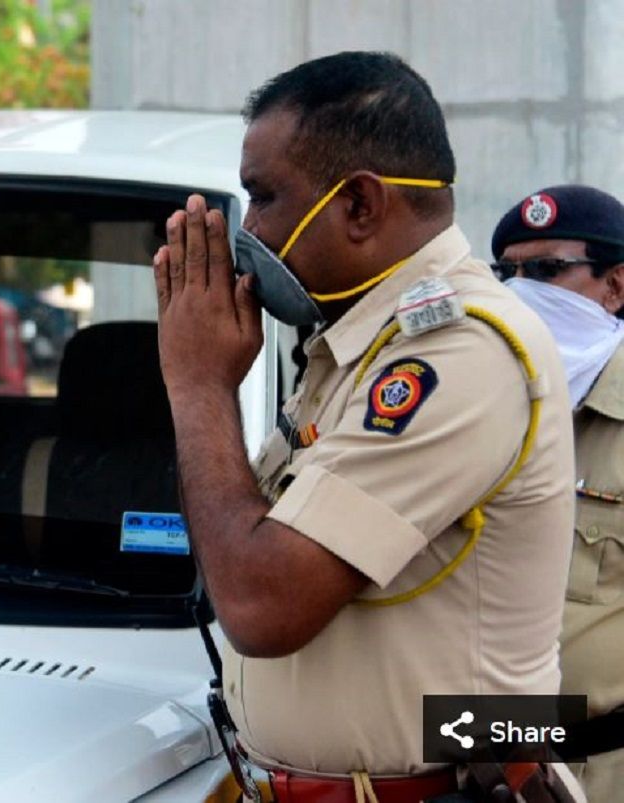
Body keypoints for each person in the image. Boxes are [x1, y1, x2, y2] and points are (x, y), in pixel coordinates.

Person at [153, 52, 581, 800]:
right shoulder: (357, 345)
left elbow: (261, 604)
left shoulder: (460, 350)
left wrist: (198, 384)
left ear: (359, 205)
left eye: (265, 197)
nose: (249, 229)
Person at [491, 185, 624, 802]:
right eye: (507, 273)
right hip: (472, 762)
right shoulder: (475, 411)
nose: (521, 292)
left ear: (615, 287)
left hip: (603, 770)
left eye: (547, 271)